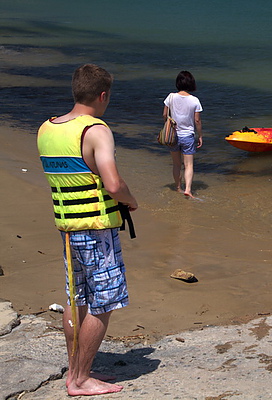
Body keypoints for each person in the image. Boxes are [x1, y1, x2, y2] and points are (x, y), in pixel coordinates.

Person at [37, 64, 138, 396]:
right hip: (96, 229)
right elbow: (112, 183)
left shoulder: (46, 129)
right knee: (102, 303)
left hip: (66, 228)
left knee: (75, 298)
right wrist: (131, 201)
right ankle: (79, 379)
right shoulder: (96, 130)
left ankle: (75, 370)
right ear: (103, 95)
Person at [163, 71, 203, 197]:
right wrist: (200, 135)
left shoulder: (170, 97)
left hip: (173, 135)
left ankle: (178, 187)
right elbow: (197, 120)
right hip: (188, 135)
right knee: (189, 164)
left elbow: (165, 115)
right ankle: (188, 189)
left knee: (176, 164)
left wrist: (168, 125)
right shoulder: (194, 100)